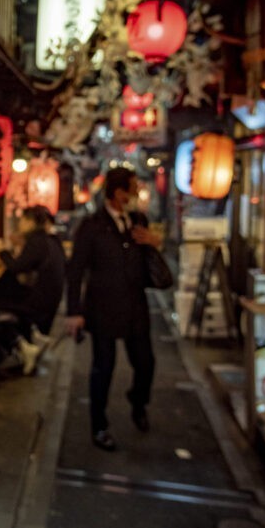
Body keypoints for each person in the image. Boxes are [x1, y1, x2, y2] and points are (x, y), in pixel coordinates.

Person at [65, 167, 161, 451]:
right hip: (103, 307)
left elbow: (149, 260)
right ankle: (99, 426)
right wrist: (74, 312)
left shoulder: (138, 221)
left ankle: (138, 400)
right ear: (118, 193)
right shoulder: (91, 225)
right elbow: (76, 271)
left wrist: (154, 243)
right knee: (102, 369)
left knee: (146, 364)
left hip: (136, 306)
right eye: (131, 189)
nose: (135, 195)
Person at [0, 205, 66, 374]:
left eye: (22, 220)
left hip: (38, 301)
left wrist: (2, 252)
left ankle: (20, 343)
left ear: (30, 223)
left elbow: (16, 267)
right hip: (48, 298)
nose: (19, 224)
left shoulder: (37, 241)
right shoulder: (49, 240)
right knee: (0, 294)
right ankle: (27, 339)